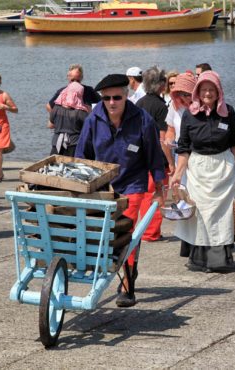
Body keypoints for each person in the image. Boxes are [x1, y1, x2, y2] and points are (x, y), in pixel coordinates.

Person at [75, 74, 165, 307]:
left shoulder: (143, 119)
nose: (112, 102)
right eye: (107, 98)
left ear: (126, 96)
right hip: (102, 185)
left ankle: (127, 284)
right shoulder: (93, 119)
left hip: (133, 183)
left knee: (126, 231)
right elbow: (81, 156)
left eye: (117, 97)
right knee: (104, 232)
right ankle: (118, 268)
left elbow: (155, 156)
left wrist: (159, 187)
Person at [170, 71, 235, 273]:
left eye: (211, 89)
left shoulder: (228, 112)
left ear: (218, 91)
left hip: (223, 167)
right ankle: (200, 260)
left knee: (222, 214)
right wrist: (178, 174)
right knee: (202, 214)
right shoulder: (189, 114)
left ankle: (220, 260)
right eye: (203, 89)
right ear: (197, 92)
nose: (207, 93)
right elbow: (184, 147)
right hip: (198, 169)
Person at [164, 72, 197, 257]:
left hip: (197, 158)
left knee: (197, 199)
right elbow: (170, 131)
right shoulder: (173, 108)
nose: (184, 98)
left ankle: (199, 241)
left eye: (187, 94)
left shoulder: (200, 108)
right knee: (183, 199)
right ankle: (187, 242)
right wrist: (169, 141)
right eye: (180, 94)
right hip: (180, 157)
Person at [136, 66, 170, 242]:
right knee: (157, 195)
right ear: (160, 85)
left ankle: (144, 229)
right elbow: (163, 139)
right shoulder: (161, 107)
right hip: (156, 158)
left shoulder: (139, 103)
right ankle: (152, 232)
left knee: (144, 195)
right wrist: (170, 162)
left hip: (140, 157)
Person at [48, 81, 89, 156]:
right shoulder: (82, 113)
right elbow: (88, 130)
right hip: (74, 146)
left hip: (56, 145)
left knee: (54, 166)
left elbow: (50, 125)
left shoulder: (56, 108)